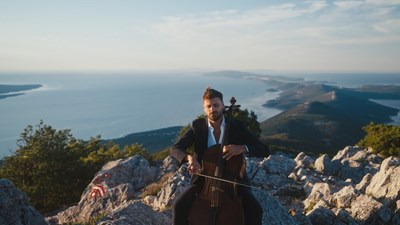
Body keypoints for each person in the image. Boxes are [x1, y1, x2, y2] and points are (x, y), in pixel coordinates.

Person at [170, 87, 269, 225]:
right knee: (179, 206)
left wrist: (241, 148)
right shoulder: (197, 127)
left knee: (255, 210)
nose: (212, 109)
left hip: (232, 180)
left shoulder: (236, 126)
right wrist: (191, 158)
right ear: (204, 108)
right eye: (208, 106)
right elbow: (175, 148)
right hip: (205, 180)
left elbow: (263, 149)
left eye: (216, 105)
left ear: (222, 105)